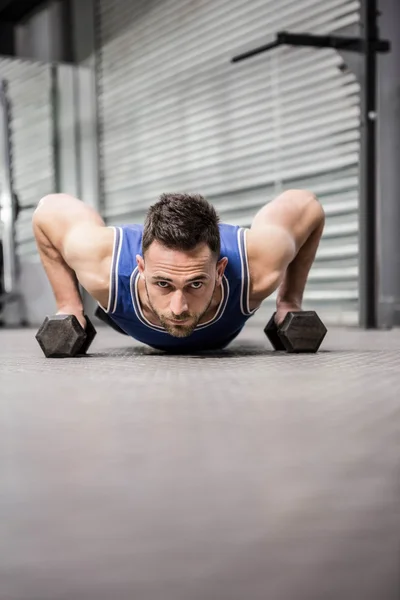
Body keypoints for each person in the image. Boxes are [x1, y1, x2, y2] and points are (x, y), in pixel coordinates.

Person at [32, 190, 325, 352]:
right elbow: (47, 209)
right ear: (141, 268)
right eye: (163, 284)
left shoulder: (257, 267)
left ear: (221, 269)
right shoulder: (103, 267)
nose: (179, 307)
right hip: (127, 315)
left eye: (196, 284)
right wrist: (68, 305)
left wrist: (289, 302)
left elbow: (307, 205)